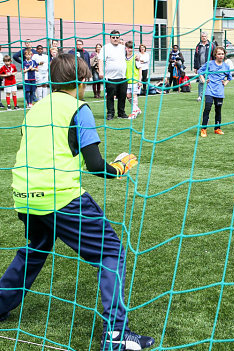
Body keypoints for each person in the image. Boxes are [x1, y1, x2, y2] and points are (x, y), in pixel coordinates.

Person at [2, 53, 154, 351]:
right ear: (83, 80)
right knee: (112, 252)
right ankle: (116, 335)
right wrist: (119, 168)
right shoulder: (78, 108)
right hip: (61, 197)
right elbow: (95, 164)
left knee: (34, 250)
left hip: (23, 195)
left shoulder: (35, 108)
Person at [198, 46, 232, 137]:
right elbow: (200, 71)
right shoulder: (210, 64)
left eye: (222, 54)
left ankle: (217, 128)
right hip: (209, 90)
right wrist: (204, 80)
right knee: (207, 108)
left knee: (218, 110)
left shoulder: (226, 66)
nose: (221, 55)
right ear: (215, 55)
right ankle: (203, 129)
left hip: (219, 91)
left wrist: (225, 82)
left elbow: (230, 77)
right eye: (219, 54)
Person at [98, 30, 128, 120]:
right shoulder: (105, 48)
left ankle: (121, 113)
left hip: (122, 77)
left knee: (122, 96)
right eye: (113, 37)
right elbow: (100, 60)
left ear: (119, 38)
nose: (115, 39)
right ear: (110, 38)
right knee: (110, 96)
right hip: (110, 77)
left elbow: (130, 55)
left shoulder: (123, 47)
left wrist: (137, 57)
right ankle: (110, 113)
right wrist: (101, 71)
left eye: (117, 37)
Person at [194, 31, 216, 102]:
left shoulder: (211, 45)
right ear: (201, 37)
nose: (204, 38)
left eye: (205, 36)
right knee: (201, 82)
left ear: (207, 37)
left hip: (209, 67)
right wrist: (195, 67)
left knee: (210, 81)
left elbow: (214, 55)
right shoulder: (198, 46)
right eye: (202, 37)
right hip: (201, 67)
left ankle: (210, 95)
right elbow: (196, 57)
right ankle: (200, 96)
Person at [125, 40, 142, 119]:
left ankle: (134, 112)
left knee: (134, 95)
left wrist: (139, 80)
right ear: (126, 48)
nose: (130, 49)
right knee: (128, 96)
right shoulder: (123, 57)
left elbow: (140, 68)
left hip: (134, 80)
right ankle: (137, 109)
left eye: (131, 48)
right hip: (126, 80)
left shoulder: (135, 57)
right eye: (129, 48)